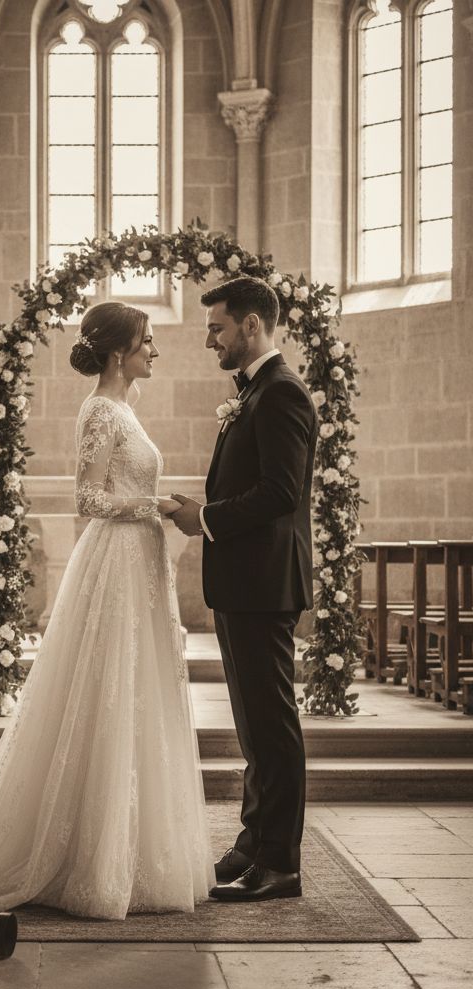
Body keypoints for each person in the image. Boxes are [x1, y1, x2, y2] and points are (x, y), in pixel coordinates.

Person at [0, 302, 214, 919]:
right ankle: (85, 852)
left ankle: (135, 844)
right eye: (148, 341)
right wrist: (156, 507)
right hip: (115, 561)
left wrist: (155, 506)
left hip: (137, 561)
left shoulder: (126, 410)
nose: (155, 351)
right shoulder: (99, 410)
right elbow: (86, 498)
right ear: (120, 353)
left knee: (139, 691)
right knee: (107, 689)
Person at [168, 276, 316, 903]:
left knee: (272, 726)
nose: (210, 340)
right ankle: (256, 842)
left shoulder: (281, 394)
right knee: (254, 727)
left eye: (217, 327)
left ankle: (281, 862)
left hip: (262, 586)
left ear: (251, 324)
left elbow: (282, 493)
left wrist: (204, 518)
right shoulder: (255, 393)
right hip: (242, 585)